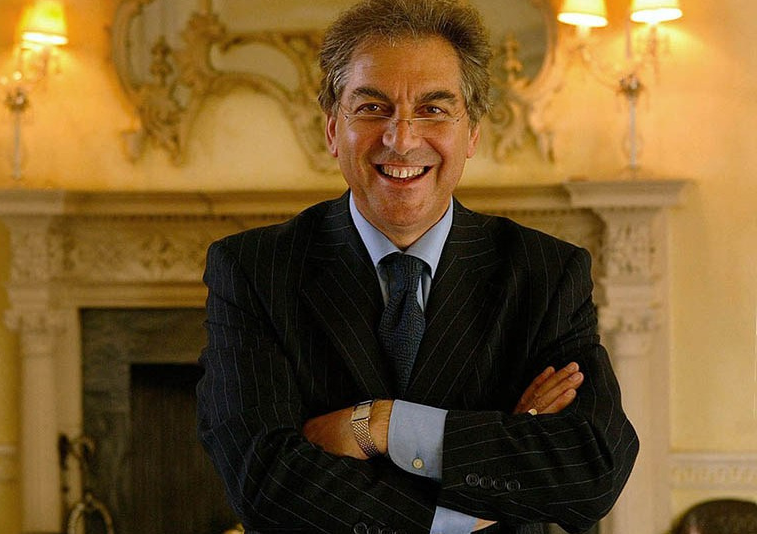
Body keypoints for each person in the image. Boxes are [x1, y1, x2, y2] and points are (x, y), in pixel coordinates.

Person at [197, 1, 639, 533]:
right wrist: (469, 509)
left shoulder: (547, 272)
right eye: (372, 108)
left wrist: (382, 425)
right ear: (333, 129)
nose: (402, 139)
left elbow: (590, 469)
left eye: (433, 109)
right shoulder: (251, 271)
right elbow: (264, 484)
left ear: (472, 132)